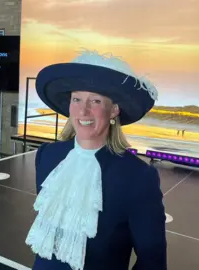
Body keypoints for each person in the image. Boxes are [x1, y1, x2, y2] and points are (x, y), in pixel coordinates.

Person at [25, 50, 167, 270]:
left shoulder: (138, 177)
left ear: (114, 110)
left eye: (96, 100)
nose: (83, 110)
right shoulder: (47, 156)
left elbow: (152, 263)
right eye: (77, 99)